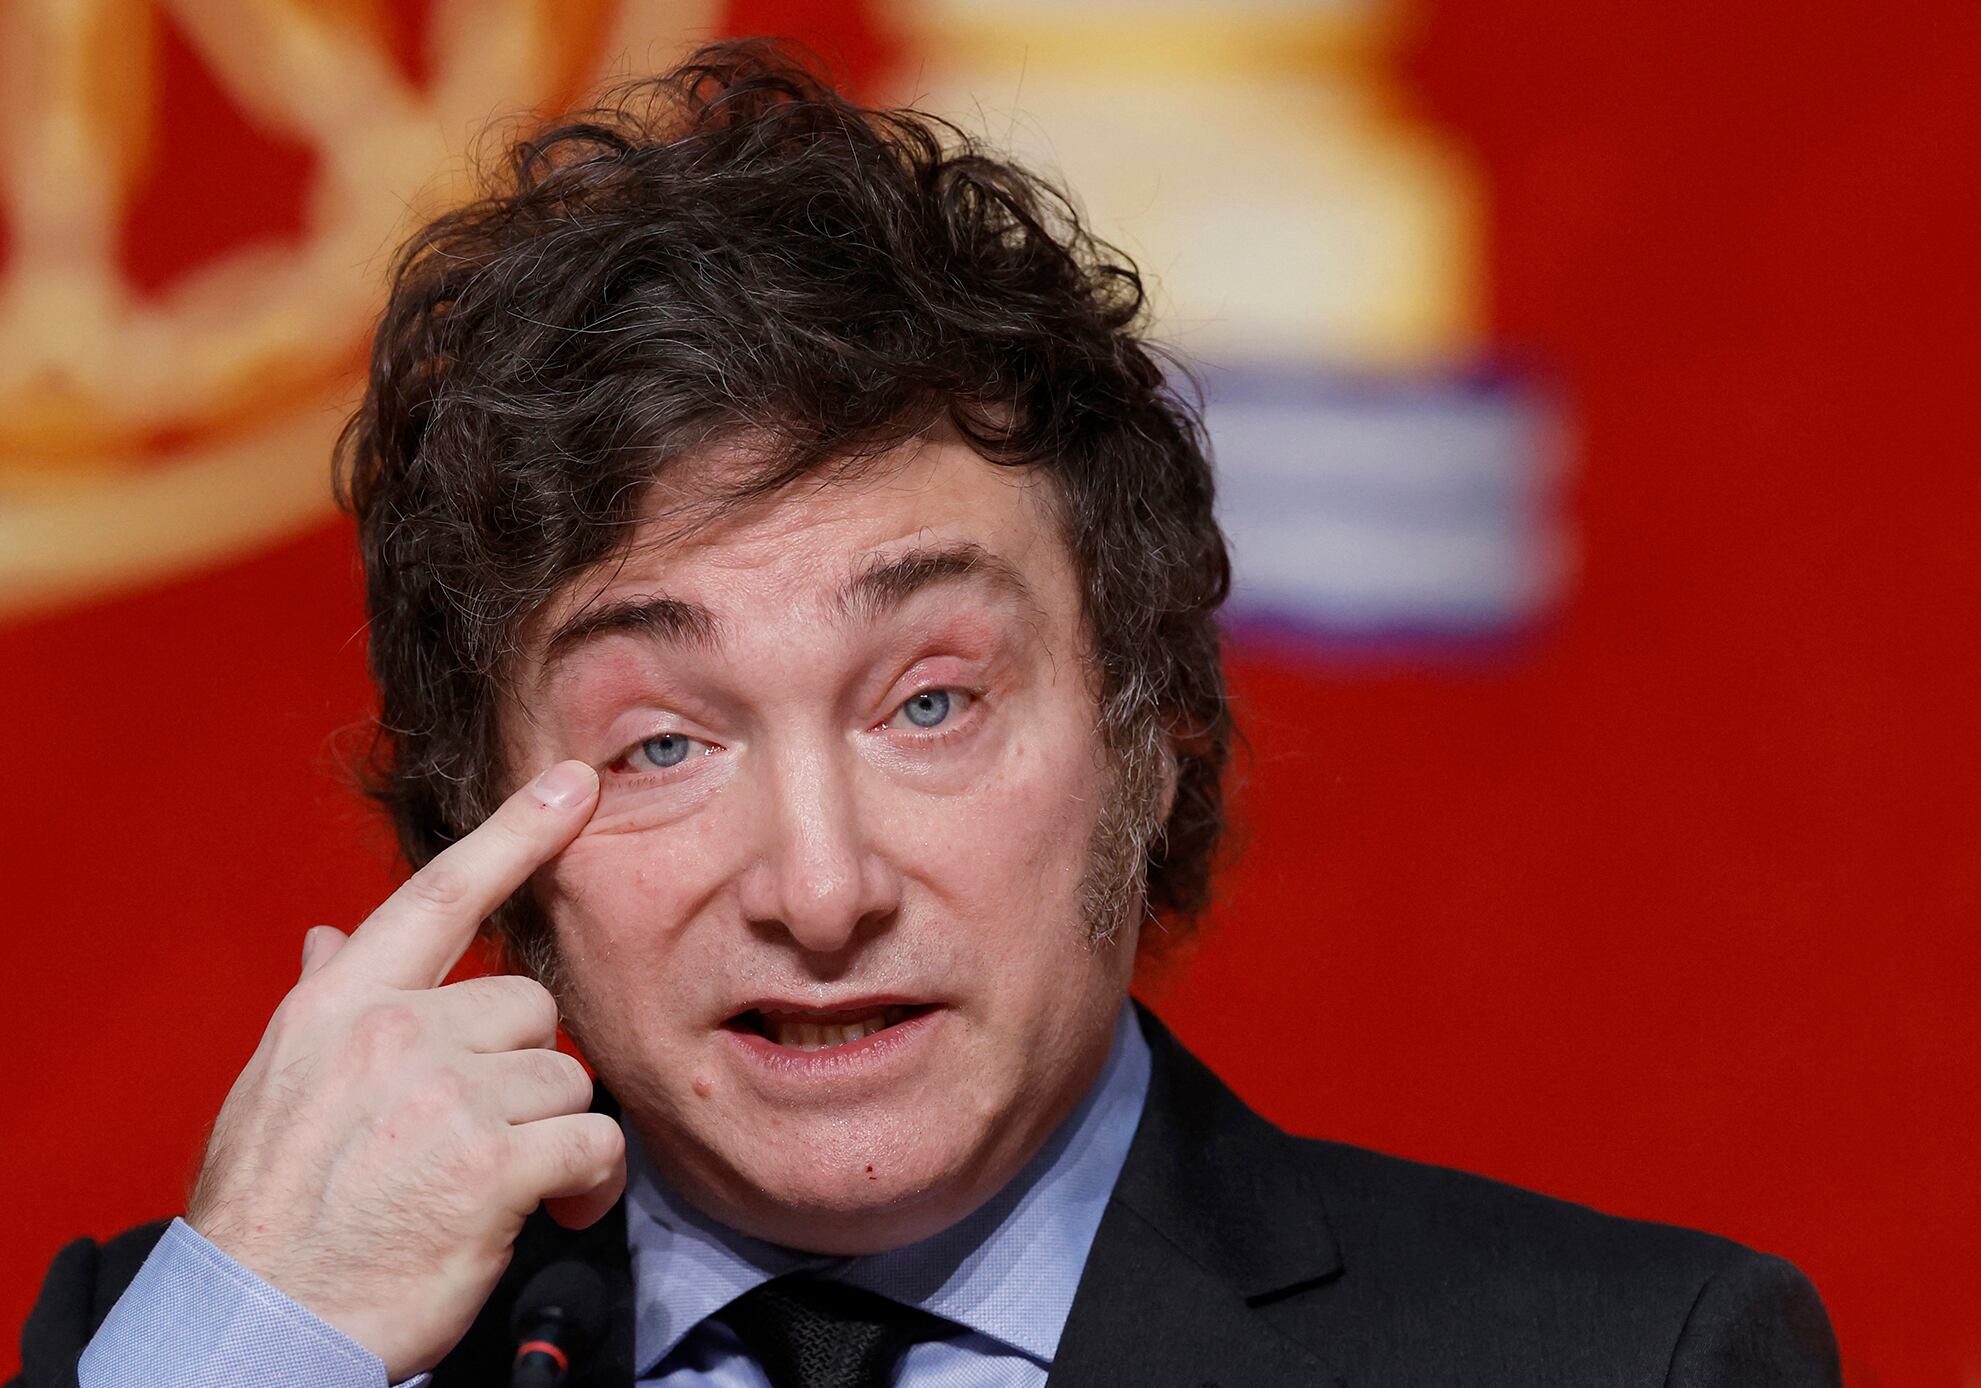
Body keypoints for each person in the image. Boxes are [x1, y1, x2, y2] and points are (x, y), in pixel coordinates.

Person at [11, 39, 1840, 1388]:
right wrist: (255, 1343)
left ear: (1151, 734)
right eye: (663, 744)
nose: (817, 890)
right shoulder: (198, 1343)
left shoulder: (1619, 1361)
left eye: (929, 703)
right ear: (473, 826)